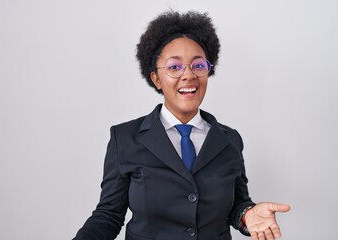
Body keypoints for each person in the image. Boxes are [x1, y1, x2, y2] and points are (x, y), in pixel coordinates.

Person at [73, 10, 290, 240]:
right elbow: (108, 215)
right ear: (156, 78)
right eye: (174, 67)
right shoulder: (125, 138)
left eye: (198, 65)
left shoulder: (230, 139)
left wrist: (248, 214)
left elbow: (237, 204)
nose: (188, 75)